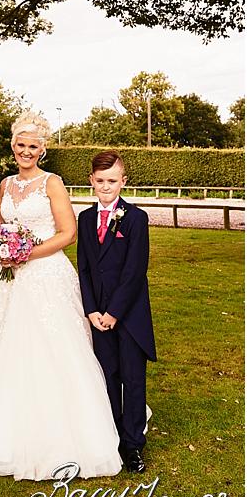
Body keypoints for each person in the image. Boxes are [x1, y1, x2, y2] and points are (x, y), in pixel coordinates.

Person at [0, 111, 122, 480]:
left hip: (45, 275)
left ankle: (67, 438)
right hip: (7, 278)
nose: (26, 151)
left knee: (54, 350)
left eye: (33, 146)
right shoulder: (5, 185)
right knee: (0, 350)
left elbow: (67, 233)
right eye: (20, 145)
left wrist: (26, 252)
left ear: (42, 149)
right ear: (13, 147)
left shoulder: (52, 183)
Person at [77, 151, 155, 474]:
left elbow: (135, 271)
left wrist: (114, 312)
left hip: (129, 316)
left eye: (112, 180)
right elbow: (84, 267)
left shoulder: (136, 218)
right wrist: (92, 310)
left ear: (123, 181)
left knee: (133, 380)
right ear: (91, 182)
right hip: (99, 318)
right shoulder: (83, 219)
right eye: (100, 181)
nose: (106, 186)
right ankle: (113, 439)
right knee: (107, 378)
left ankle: (134, 444)